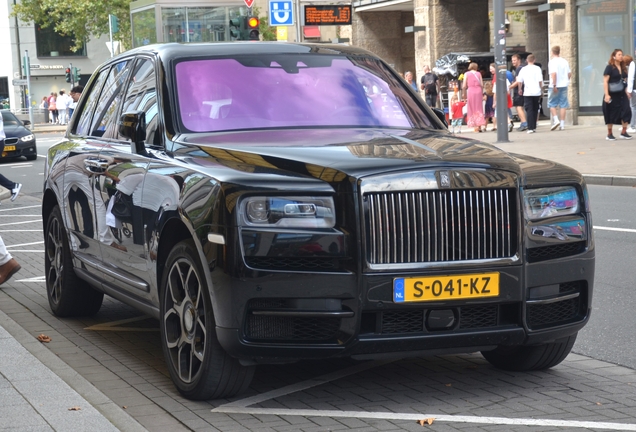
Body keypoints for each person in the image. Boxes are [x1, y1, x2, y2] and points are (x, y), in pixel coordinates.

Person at [602, 49, 631, 140]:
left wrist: (627, 92)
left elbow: (625, 81)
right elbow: (605, 81)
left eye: (622, 54)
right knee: (610, 113)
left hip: (622, 94)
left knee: (626, 111)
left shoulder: (623, 68)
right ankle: (609, 134)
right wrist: (607, 95)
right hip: (612, 94)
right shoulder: (609, 67)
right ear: (614, 56)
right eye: (619, 54)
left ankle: (623, 132)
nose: (621, 56)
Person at [516, 54, 544, 134]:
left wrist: (520, 89)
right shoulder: (537, 68)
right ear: (534, 60)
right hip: (536, 92)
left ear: (527, 61)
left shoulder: (523, 69)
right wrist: (541, 89)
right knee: (535, 109)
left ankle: (530, 127)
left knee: (529, 110)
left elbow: (519, 81)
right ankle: (534, 126)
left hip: (527, 92)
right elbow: (540, 81)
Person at [548, 45, 571, 131]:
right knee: (563, 105)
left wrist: (554, 85)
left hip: (555, 85)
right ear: (559, 51)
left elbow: (553, 74)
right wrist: (566, 80)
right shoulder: (565, 61)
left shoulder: (552, 62)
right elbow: (569, 73)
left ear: (552, 52)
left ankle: (556, 120)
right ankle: (562, 124)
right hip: (564, 85)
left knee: (552, 104)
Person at [490, 63, 514, 132]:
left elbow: (495, 93)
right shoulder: (506, 80)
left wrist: (494, 102)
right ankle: (509, 122)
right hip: (505, 98)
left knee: (498, 113)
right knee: (505, 111)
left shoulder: (496, 81)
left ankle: (502, 125)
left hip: (498, 99)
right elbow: (509, 90)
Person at [462, 62, 486, 133]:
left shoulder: (466, 74)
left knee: (472, 108)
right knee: (479, 108)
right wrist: (481, 93)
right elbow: (481, 84)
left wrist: (464, 94)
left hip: (471, 91)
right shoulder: (479, 74)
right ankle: (479, 126)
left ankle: (475, 126)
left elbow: (464, 86)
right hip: (478, 91)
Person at [509, 54, 528, 131]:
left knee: (518, 107)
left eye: (514, 60)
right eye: (512, 60)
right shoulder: (524, 67)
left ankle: (524, 123)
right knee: (521, 107)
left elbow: (518, 81)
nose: (513, 62)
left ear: (519, 60)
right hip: (524, 90)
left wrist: (509, 87)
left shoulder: (518, 69)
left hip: (519, 90)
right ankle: (523, 122)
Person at [626, 51, 636, 133]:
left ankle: (632, 126)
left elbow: (631, 78)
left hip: (634, 89)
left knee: (632, 107)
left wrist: (629, 90)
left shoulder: (632, 64)